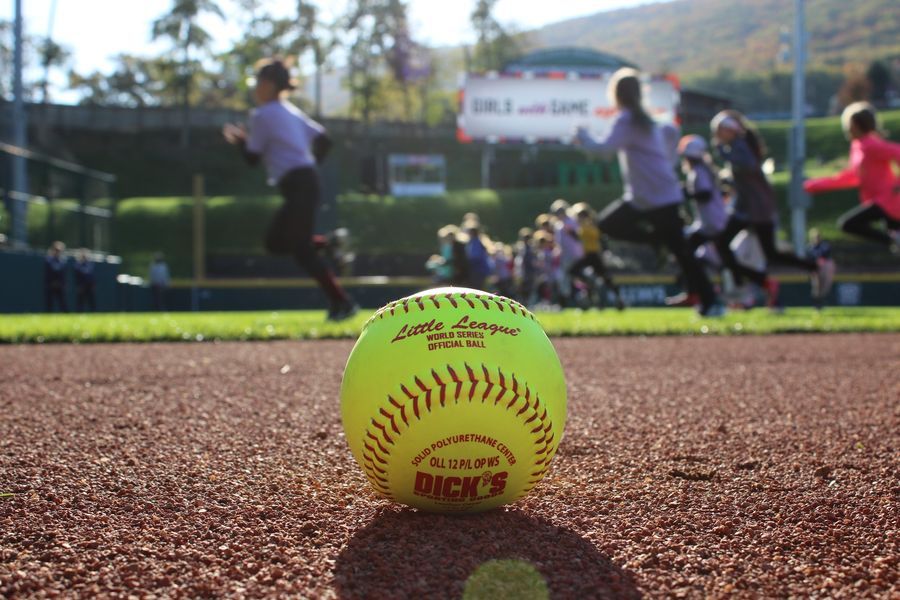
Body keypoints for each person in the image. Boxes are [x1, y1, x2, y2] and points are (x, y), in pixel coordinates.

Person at [575, 68, 723, 316]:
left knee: (683, 252)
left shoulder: (628, 120)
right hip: (648, 196)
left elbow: (604, 149)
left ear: (617, 95)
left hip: (658, 197)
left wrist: (582, 134)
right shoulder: (646, 120)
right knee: (612, 225)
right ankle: (664, 248)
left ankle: (710, 301)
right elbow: (670, 136)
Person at [223, 57, 356, 320]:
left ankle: (342, 302)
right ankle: (330, 245)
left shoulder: (262, 114)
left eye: (258, 82)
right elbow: (325, 141)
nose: (255, 87)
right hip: (306, 182)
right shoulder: (289, 110)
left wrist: (240, 141)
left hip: (298, 185)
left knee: (298, 248)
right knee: (279, 243)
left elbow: (252, 158)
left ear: (270, 85)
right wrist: (307, 163)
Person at [711, 109, 821, 308]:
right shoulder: (738, 146)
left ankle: (812, 266)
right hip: (747, 210)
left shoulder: (739, 146)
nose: (717, 136)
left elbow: (748, 165)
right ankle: (750, 281)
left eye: (720, 131)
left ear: (731, 131)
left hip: (757, 210)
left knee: (767, 253)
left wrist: (723, 152)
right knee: (725, 245)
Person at [804, 102, 900, 254]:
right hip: (882, 203)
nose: (846, 129)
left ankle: (893, 240)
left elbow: (898, 152)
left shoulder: (870, 144)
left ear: (855, 124)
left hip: (888, 201)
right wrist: (816, 185)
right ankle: (893, 240)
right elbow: (853, 177)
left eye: (848, 124)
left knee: (848, 224)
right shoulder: (858, 146)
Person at [568, 202, 624, 310]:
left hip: (593, 255)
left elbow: (596, 236)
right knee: (574, 271)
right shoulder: (584, 226)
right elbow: (581, 238)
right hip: (588, 256)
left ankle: (617, 297)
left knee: (605, 277)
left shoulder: (590, 224)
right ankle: (591, 285)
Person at [550, 199, 584, 307]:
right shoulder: (558, 225)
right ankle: (567, 300)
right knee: (565, 278)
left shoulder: (571, 222)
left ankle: (580, 298)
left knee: (574, 277)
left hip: (575, 255)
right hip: (565, 256)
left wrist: (572, 232)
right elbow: (559, 243)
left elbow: (579, 238)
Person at [807, 228, 836, 310]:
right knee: (816, 287)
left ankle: (821, 303)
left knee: (824, 287)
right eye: (815, 237)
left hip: (824, 268)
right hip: (815, 269)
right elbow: (809, 259)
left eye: (818, 236)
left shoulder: (825, 246)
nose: (817, 238)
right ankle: (816, 305)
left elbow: (827, 257)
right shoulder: (809, 247)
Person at [462, 220, 494, 291]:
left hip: (477, 271)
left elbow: (475, 257)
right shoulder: (477, 241)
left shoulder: (475, 242)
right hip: (480, 271)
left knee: (477, 290)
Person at [514, 227, 539, 306]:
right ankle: (523, 302)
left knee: (528, 289)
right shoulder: (521, 248)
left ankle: (526, 303)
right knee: (522, 289)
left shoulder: (531, 249)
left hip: (528, 272)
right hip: (522, 272)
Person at [44, 241, 68, 312]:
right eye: (56, 250)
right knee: (49, 304)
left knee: (63, 303)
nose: (58, 252)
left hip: (60, 285)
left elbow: (63, 274)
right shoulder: (49, 260)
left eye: (59, 251)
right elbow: (48, 273)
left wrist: (62, 283)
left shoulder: (62, 261)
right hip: (51, 285)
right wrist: (51, 282)